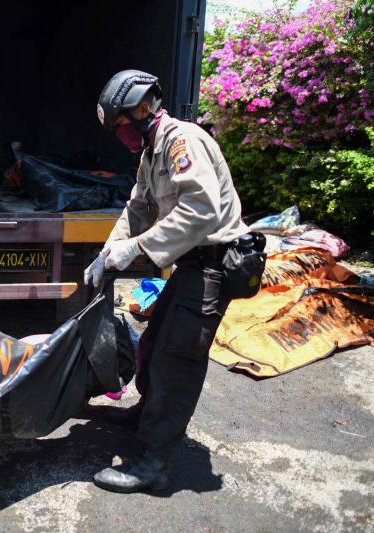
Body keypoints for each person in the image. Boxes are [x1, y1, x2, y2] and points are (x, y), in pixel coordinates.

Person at [85, 70, 250, 493]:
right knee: (155, 343)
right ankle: (145, 415)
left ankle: (155, 463)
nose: (120, 136)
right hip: (189, 265)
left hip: (213, 265)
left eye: (120, 126)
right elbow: (136, 208)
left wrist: (136, 248)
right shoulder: (151, 152)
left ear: (142, 109)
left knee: (176, 362)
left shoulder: (183, 141)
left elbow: (201, 212)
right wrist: (107, 253)